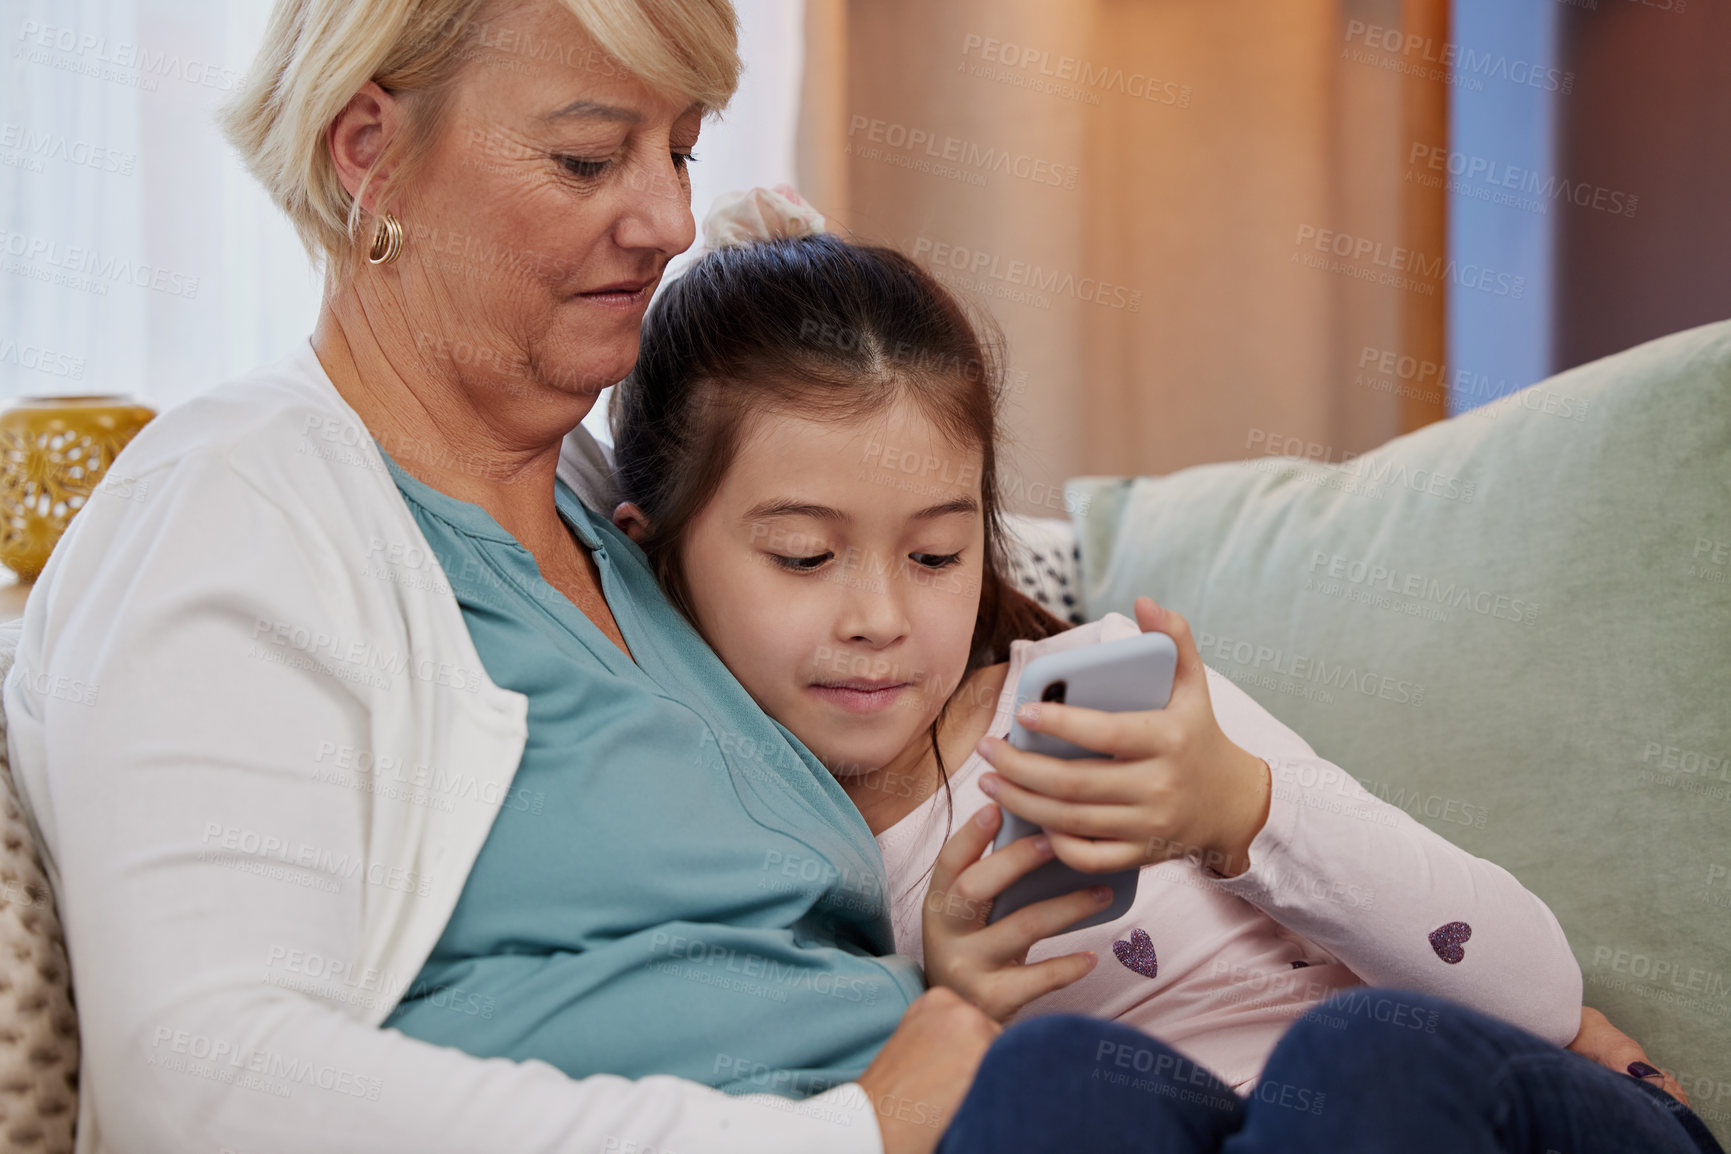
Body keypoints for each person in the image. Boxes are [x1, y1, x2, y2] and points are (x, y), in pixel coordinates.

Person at [1, 2, 993, 1152]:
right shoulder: (233, 503)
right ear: (369, 148)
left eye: (680, 149)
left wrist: (937, 987)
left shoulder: (612, 501)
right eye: (587, 158)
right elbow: (207, 1083)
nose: (670, 220)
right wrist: (860, 1128)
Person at [607, 227, 1724, 1153]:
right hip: (1179, 1121)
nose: (881, 619)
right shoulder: (727, 854)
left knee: (1357, 1053)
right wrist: (944, 1007)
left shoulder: (1101, 703)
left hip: (1474, 1105)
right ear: (655, 559)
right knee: (1044, 1071)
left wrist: (1242, 807)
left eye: (937, 555)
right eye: (805, 555)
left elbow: (1533, 986)